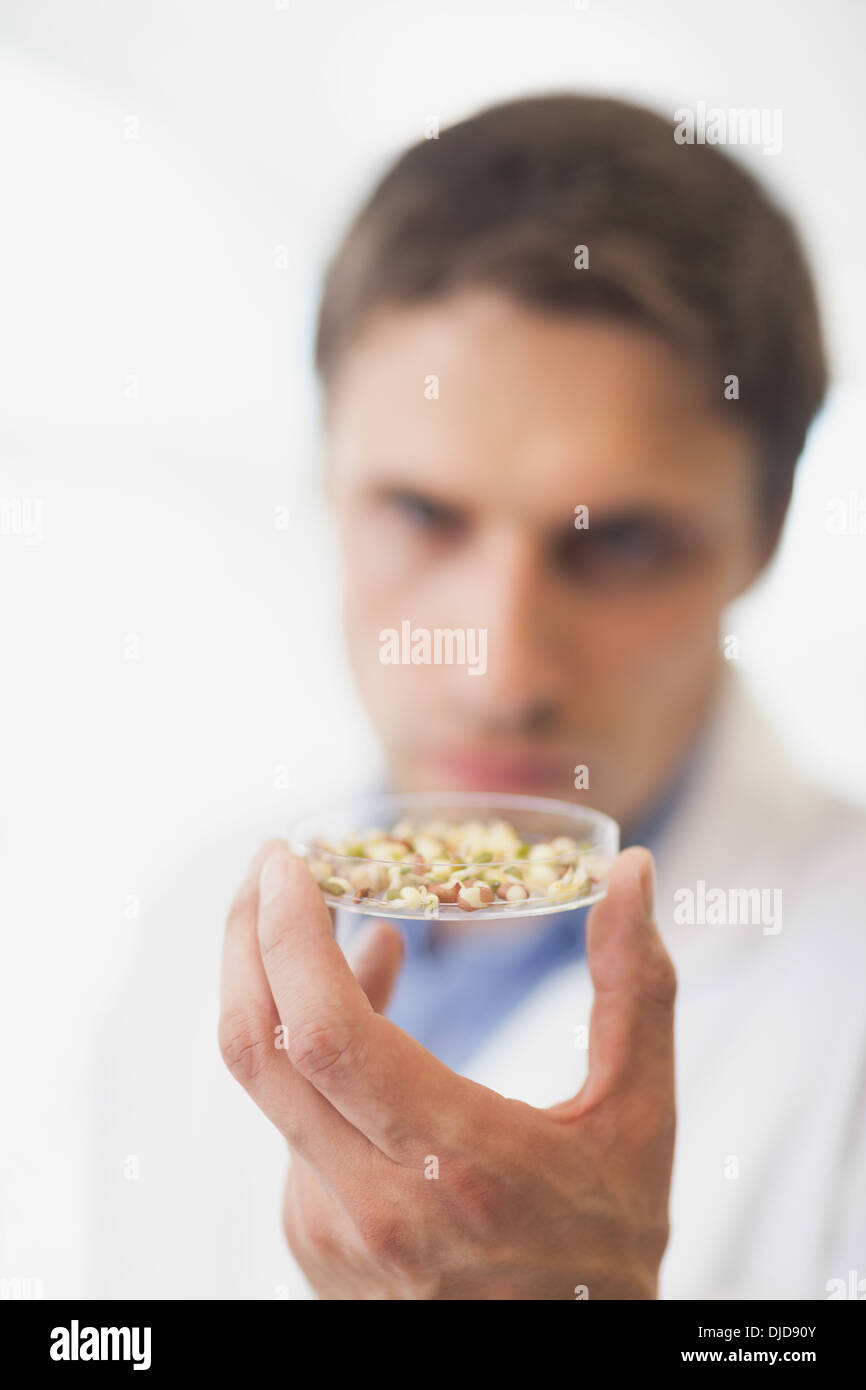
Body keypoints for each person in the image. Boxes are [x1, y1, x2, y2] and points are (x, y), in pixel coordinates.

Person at [91, 94, 866, 1300]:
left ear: (762, 539)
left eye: (615, 543)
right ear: (326, 475)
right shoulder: (188, 918)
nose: (497, 674)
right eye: (421, 515)